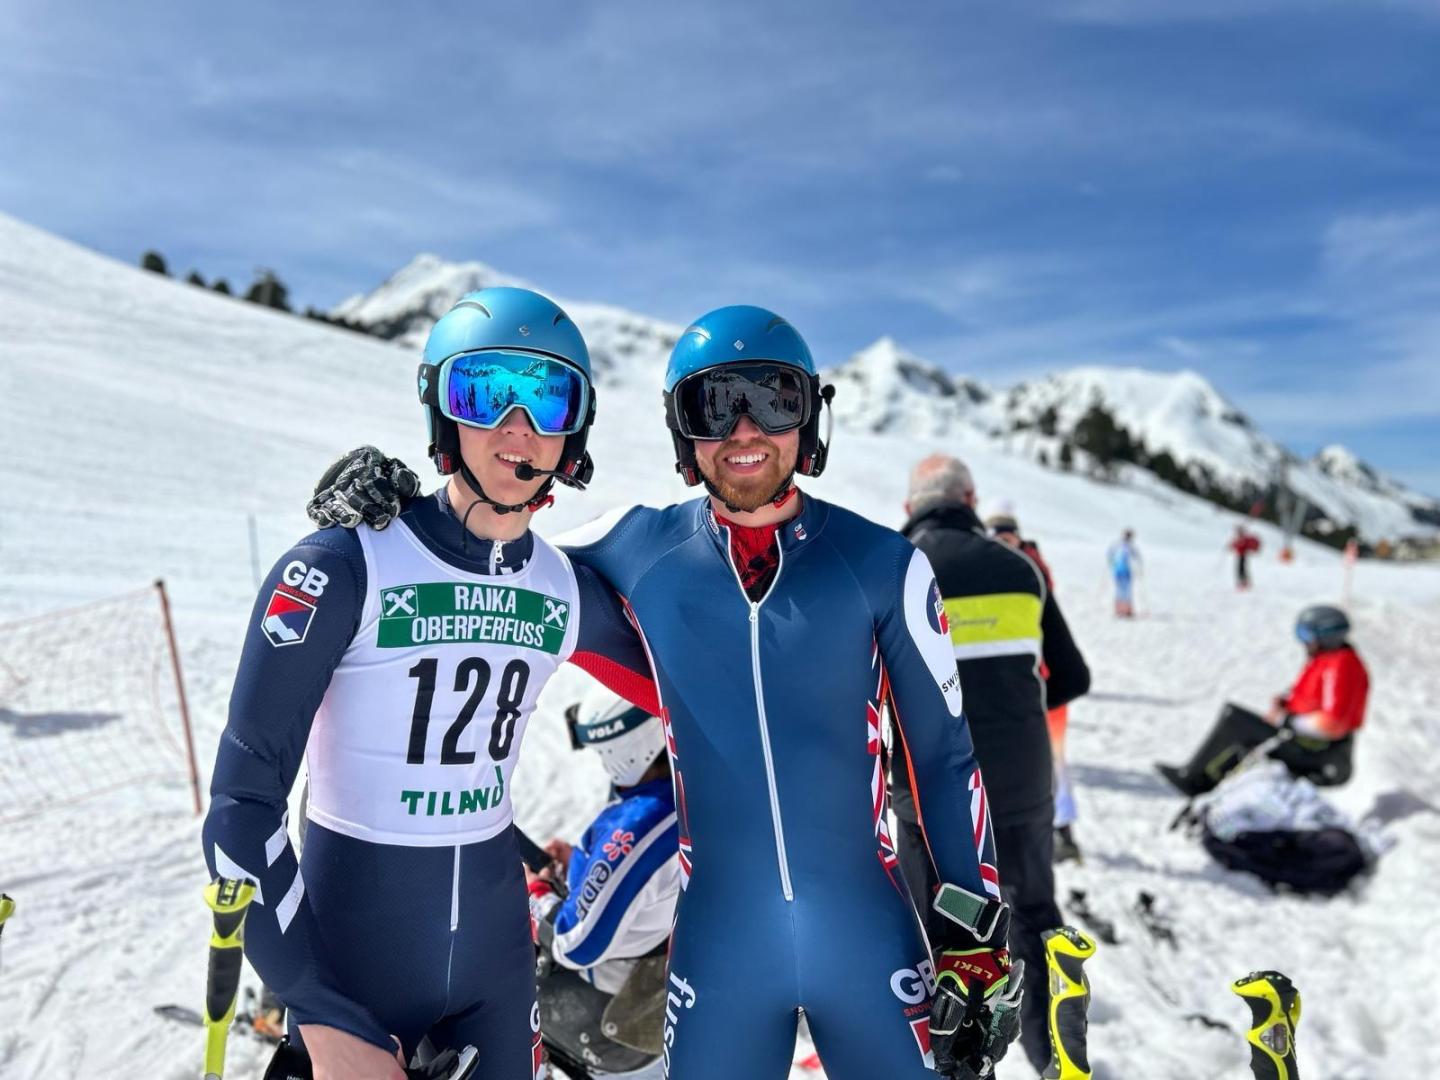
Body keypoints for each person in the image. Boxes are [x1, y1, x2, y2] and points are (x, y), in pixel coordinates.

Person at [313, 305, 1023, 1080]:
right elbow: (486, 540)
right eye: (714, 406)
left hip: (866, 935)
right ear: (682, 431)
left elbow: (944, 761)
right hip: (720, 951)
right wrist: (393, 512)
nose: (745, 430)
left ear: (810, 418)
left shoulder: (883, 565)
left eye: (775, 400)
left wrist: (974, 936)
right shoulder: (637, 546)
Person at [204, 288, 659, 1080]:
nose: (518, 428)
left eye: (548, 398)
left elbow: (725, 681)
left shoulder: (565, 587)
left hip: (496, 972)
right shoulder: (346, 564)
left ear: (574, 432)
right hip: (353, 970)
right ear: (443, 415)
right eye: (485, 394)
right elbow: (241, 808)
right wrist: (314, 1005)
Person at [895, 457, 1090, 1074]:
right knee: (1033, 914)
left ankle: (943, 1060)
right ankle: (1057, 1056)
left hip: (930, 790)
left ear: (910, 508)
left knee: (933, 932)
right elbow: (1072, 676)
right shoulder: (1020, 568)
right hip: (1022, 778)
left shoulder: (891, 569)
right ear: (971, 499)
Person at [527, 686, 679, 1080]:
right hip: (659, 991)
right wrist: (580, 861)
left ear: (625, 751)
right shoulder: (682, 794)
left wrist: (535, 893)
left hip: (616, 1016)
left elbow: (574, 945)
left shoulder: (643, 823)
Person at [1157, 604, 1368, 797]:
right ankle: (1208, 784)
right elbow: (1310, 696)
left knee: (1235, 721)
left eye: (1306, 634)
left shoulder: (1341, 666)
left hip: (1322, 757)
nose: (1302, 641)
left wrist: (1290, 721)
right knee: (1245, 732)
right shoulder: (1327, 660)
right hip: (1307, 743)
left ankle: (1193, 780)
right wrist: (1286, 702)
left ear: (1327, 636)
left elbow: (1333, 723)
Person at [986, 509, 1083, 865]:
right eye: (996, 537)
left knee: (1052, 763)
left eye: (1006, 536)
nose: (1002, 543)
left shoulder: (1029, 570)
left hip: (1040, 685)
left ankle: (1063, 833)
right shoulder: (1018, 567)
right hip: (1022, 685)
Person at [1107, 528, 1142, 617]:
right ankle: (1126, 610)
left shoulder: (1117, 544)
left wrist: (1112, 563)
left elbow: (1110, 553)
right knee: (1126, 591)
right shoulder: (1129, 546)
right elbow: (1136, 556)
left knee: (1120, 590)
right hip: (1124, 571)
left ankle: (1119, 610)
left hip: (1118, 570)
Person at [1229, 525, 1261, 591]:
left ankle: (1244, 581)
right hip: (1240, 555)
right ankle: (1242, 581)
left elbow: (1244, 545)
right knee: (1240, 569)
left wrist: (1238, 543)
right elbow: (1235, 546)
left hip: (1243, 555)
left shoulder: (1243, 538)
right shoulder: (1239, 538)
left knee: (1241, 569)